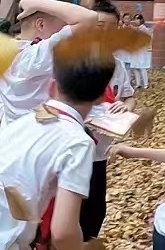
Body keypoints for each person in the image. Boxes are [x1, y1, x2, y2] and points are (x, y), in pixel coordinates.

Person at [0, 38, 116, 250]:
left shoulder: (24, 121)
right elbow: (63, 233)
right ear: (101, 96)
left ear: (52, 85)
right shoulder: (77, 143)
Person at [80, 0, 137, 241]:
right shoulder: (67, 59)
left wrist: (125, 107)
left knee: (94, 214)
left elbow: (129, 96)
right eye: (99, 24)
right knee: (65, 217)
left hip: (99, 153)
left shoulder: (116, 66)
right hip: (69, 153)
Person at [0, 0, 99, 128]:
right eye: (63, 26)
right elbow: (89, 19)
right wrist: (37, 2)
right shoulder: (37, 55)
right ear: (41, 25)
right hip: (40, 136)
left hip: (15, 134)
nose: (66, 30)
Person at [128, 14, 152, 89]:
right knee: (135, 67)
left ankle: (145, 84)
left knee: (142, 67)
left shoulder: (144, 29)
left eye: (138, 19)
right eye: (135, 19)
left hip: (142, 51)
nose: (136, 20)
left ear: (141, 20)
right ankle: (138, 83)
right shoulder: (137, 29)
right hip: (135, 50)